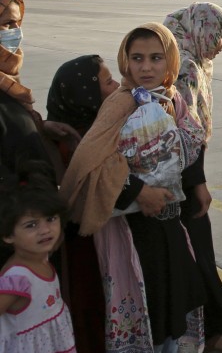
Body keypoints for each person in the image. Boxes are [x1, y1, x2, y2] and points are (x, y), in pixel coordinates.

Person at [61, 22, 206, 351]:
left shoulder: (172, 98)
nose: (146, 67)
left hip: (168, 220)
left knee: (172, 302)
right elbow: (91, 162)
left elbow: (191, 139)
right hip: (131, 226)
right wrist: (139, 192)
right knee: (147, 301)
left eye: (156, 58)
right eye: (137, 58)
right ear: (125, 61)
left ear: (170, 61)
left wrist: (198, 183)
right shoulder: (121, 103)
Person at [163, 3, 222, 351]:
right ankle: (219, 331)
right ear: (201, 29)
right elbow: (187, 133)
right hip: (182, 176)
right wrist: (197, 182)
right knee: (198, 253)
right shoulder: (185, 65)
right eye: (221, 34)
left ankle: (213, 327)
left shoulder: (184, 56)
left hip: (176, 172)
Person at [45, 55, 120, 352]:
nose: (117, 86)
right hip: (82, 250)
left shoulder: (100, 128)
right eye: (108, 82)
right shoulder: (70, 142)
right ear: (85, 96)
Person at [0, 0, 79, 189]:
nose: (16, 31)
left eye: (18, 23)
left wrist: (39, 127)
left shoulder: (8, 84)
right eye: (8, 24)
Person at [0, 165, 75, 352]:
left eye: (50, 219)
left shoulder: (42, 257)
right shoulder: (17, 279)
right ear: (8, 235)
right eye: (31, 225)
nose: (45, 230)